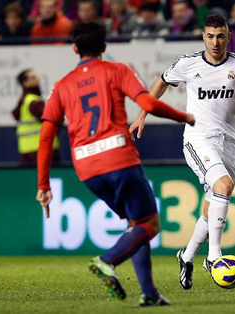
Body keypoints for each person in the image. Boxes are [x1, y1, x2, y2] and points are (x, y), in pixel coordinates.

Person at [35, 21, 194, 306]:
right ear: (105, 47)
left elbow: (46, 136)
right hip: (117, 157)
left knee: (136, 224)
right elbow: (149, 103)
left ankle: (150, 294)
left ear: (74, 48)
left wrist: (43, 184)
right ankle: (107, 261)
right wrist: (185, 117)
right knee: (150, 223)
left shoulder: (61, 86)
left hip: (85, 168)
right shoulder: (116, 70)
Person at [130, 13, 235, 290]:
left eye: (221, 36)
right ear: (203, 36)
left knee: (214, 201)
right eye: (210, 36)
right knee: (224, 185)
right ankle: (214, 257)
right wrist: (142, 114)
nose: (215, 42)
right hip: (198, 139)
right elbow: (161, 82)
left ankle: (186, 256)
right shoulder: (188, 64)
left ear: (228, 36)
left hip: (230, 142)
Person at [13, 69, 59, 166]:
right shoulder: (34, 102)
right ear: (24, 83)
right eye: (33, 77)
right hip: (42, 150)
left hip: (27, 151)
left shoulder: (24, 101)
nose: (37, 79)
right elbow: (53, 120)